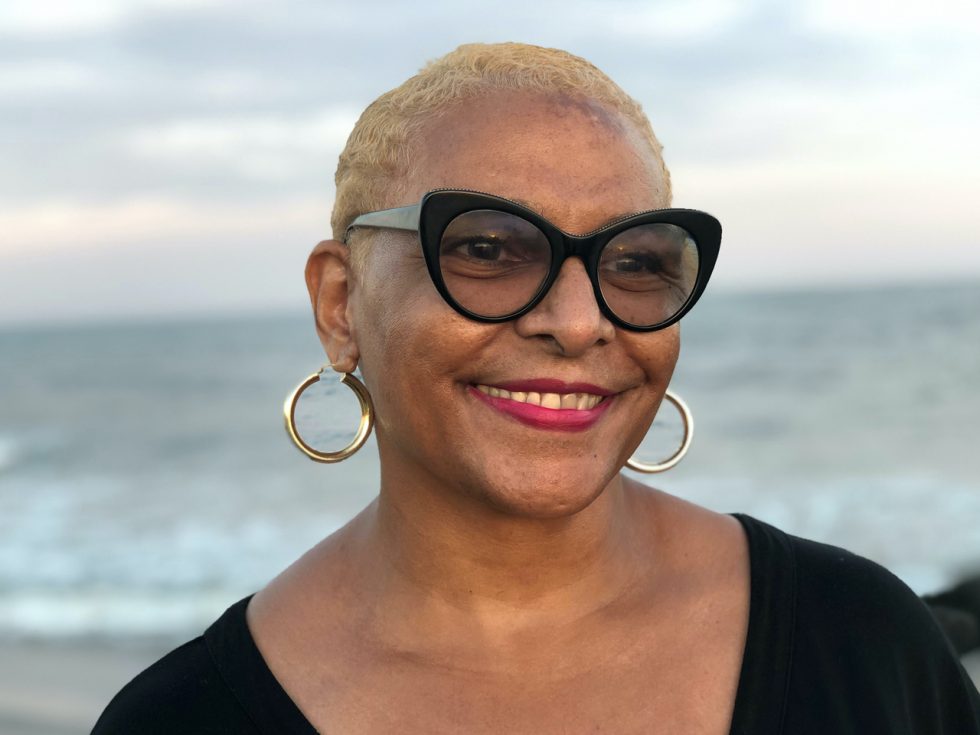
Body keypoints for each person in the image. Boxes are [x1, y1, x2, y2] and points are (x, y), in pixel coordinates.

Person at [92, 42, 980, 734]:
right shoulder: (182, 719)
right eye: (486, 248)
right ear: (340, 303)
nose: (579, 320)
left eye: (634, 261)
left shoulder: (862, 640)